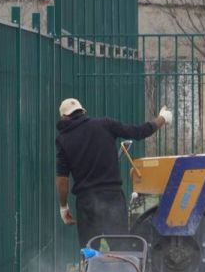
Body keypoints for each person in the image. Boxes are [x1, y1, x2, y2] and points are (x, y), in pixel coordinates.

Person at [56, 97, 172, 247]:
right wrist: (162, 118)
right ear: (82, 112)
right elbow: (139, 132)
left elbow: (62, 178)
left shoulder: (63, 139)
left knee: (90, 251)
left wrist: (63, 207)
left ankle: (91, 269)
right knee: (120, 249)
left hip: (86, 202)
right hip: (113, 197)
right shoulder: (105, 124)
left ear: (64, 117)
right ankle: (121, 269)